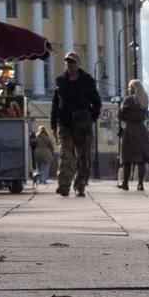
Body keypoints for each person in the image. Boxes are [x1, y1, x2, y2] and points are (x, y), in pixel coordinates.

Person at [49, 51, 101, 197]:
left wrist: (91, 118)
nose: (70, 65)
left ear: (78, 63)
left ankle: (80, 185)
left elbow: (96, 103)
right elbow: (55, 104)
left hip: (82, 124)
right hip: (64, 123)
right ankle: (63, 185)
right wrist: (53, 123)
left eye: (72, 62)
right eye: (68, 62)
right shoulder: (61, 81)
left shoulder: (87, 81)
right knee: (65, 154)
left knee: (82, 157)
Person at [117, 79, 149, 191]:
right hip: (141, 130)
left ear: (133, 88)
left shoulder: (129, 100)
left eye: (129, 87)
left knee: (127, 159)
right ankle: (140, 184)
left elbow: (120, 115)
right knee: (141, 160)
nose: (128, 89)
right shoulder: (145, 100)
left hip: (130, 129)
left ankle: (125, 183)